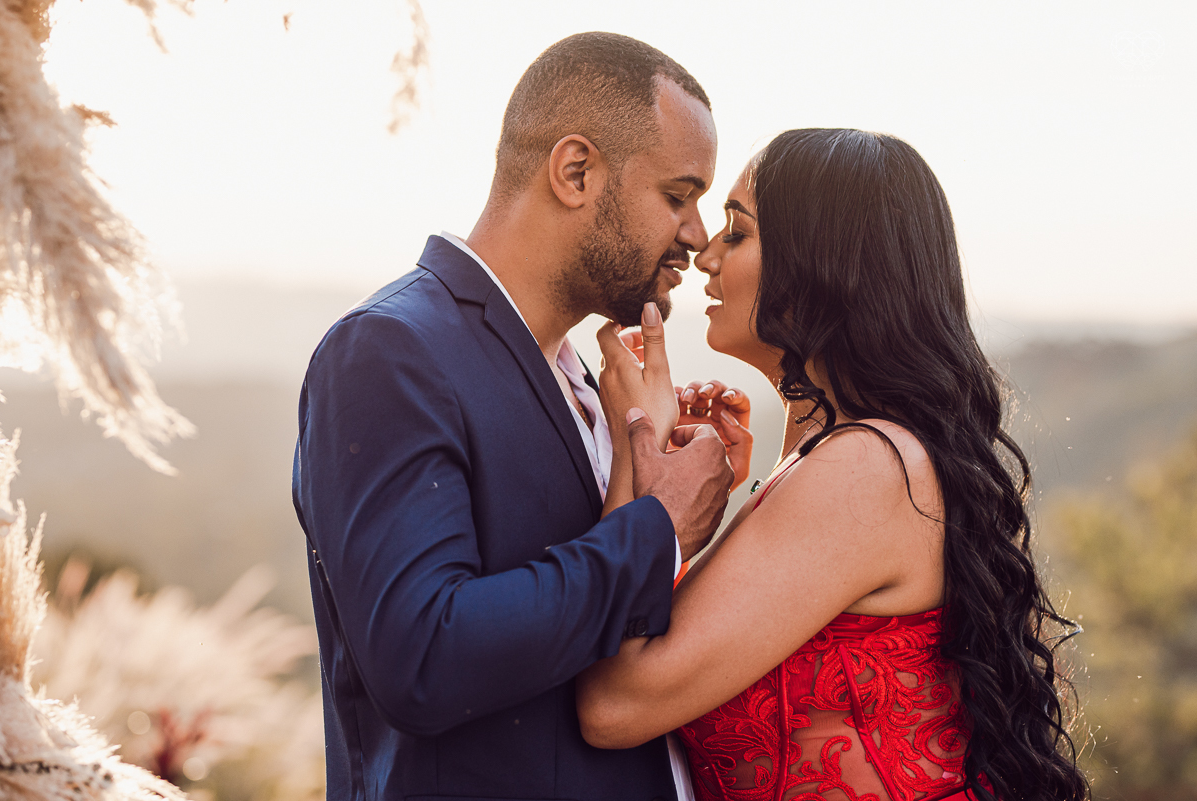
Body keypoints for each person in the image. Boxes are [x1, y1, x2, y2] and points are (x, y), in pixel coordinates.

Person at [579, 129, 1090, 801]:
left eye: (737, 233)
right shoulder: (835, 456)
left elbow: (613, 706)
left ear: (819, 265)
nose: (705, 255)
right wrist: (693, 504)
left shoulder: (865, 469)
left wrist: (635, 457)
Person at [292, 33, 737, 800]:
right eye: (677, 195)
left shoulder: (588, 385)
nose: (697, 237)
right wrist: (656, 526)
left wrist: (648, 467)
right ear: (575, 172)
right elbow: (424, 655)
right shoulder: (391, 350)